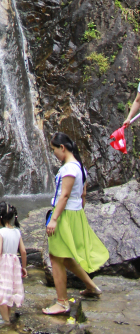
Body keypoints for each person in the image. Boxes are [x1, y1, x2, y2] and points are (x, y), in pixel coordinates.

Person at [42, 131, 109, 315]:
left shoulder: (69, 169)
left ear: (62, 148)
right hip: (74, 213)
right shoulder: (79, 167)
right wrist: (79, 213)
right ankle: (92, 287)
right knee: (66, 257)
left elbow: (64, 195)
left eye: (54, 149)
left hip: (65, 215)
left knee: (55, 257)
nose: (53, 153)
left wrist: (54, 219)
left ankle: (62, 302)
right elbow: (83, 195)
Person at [0, 201, 27, 323]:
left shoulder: (0, 232)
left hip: (3, 264)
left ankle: (6, 321)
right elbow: (23, 251)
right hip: (14, 264)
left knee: (1, 291)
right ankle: (8, 316)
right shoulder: (17, 231)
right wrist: (24, 267)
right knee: (10, 289)